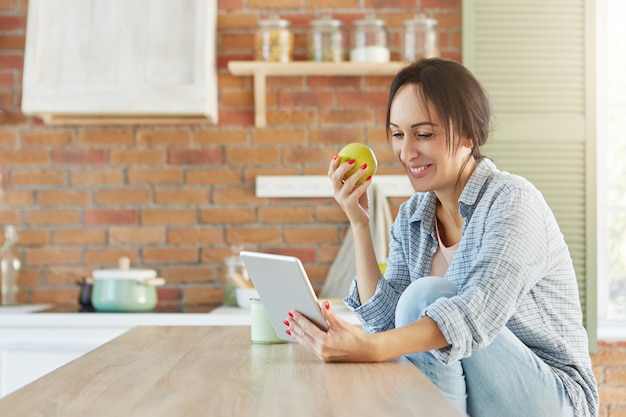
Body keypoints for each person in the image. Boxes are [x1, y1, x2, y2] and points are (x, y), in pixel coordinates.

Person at [283, 58, 599, 417]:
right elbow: (387, 326)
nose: (406, 152)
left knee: (426, 296)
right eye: (398, 134)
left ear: (468, 135)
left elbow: (474, 315)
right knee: (412, 317)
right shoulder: (414, 215)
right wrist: (359, 223)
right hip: (474, 399)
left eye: (424, 134)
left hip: (552, 397)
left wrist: (369, 347)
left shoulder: (513, 201)